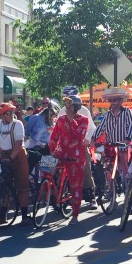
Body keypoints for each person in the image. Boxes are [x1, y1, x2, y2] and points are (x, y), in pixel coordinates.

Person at [0, 102, 31, 226]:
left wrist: (10, 158)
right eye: (8, 113)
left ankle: (24, 216)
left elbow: (19, 143)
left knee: (23, 186)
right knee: (4, 185)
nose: (11, 115)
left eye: (12, 112)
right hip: (5, 155)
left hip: (18, 156)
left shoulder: (18, 124)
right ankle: (2, 216)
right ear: (1, 115)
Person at [49, 95, 89, 225]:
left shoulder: (84, 120)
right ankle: (51, 195)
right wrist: (51, 150)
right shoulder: (60, 120)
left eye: (69, 104)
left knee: (75, 185)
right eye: (66, 103)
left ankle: (75, 214)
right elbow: (54, 137)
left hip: (76, 157)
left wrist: (72, 121)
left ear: (76, 106)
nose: (66, 106)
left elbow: (79, 136)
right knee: (47, 172)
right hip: (61, 153)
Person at [58, 86, 97, 209]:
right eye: (65, 100)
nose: (67, 103)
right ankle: (59, 194)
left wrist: (86, 140)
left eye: (69, 100)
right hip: (65, 146)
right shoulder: (61, 111)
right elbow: (58, 129)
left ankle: (91, 197)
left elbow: (91, 128)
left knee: (85, 169)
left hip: (80, 145)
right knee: (57, 168)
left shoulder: (84, 111)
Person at [91, 87, 132, 184]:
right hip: (110, 145)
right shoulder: (107, 114)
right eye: (111, 100)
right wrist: (93, 138)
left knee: (124, 169)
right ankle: (110, 189)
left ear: (120, 101)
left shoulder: (127, 112)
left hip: (123, 146)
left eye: (115, 100)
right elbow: (100, 127)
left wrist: (126, 139)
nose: (113, 102)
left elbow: (131, 127)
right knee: (107, 166)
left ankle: (126, 188)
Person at [25, 101, 60, 173]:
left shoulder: (52, 122)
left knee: (48, 172)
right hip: (34, 148)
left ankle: (46, 181)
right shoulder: (36, 118)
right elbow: (26, 132)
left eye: (54, 115)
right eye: (53, 115)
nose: (53, 117)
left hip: (47, 149)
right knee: (28, 171)